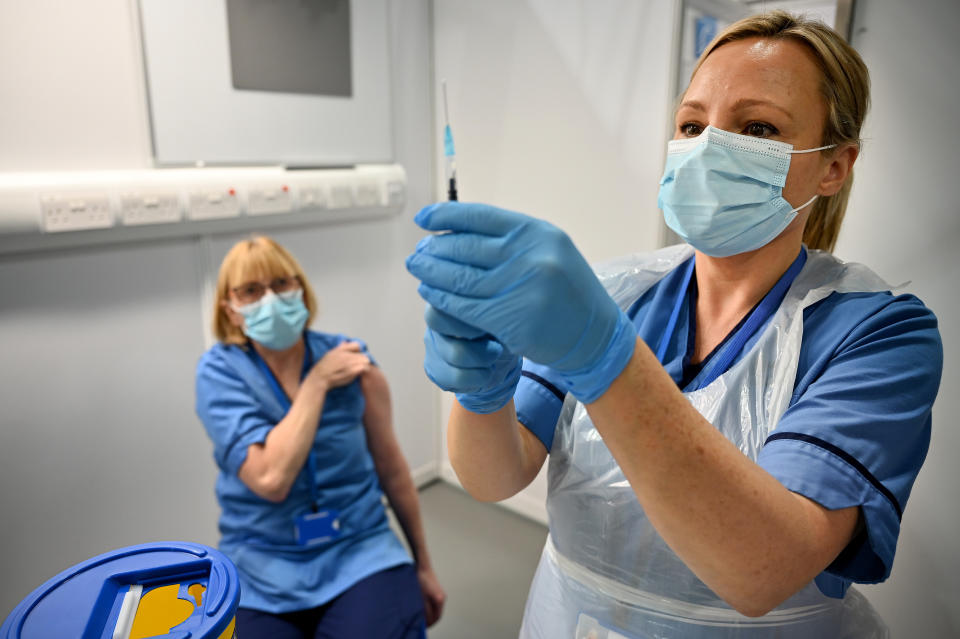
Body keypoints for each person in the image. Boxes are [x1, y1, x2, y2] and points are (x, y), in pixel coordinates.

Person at [406, 11, 942, 638]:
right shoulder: (615, 292)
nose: (709, 145)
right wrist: (481, 393)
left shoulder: (878, 334)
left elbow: (758, 572)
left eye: (758, 127)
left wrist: (606, 359)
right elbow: (493, 477)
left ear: (834, 166)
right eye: (692, 124)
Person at [196, 235, 445, 638]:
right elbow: (271, 480)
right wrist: (317, 383)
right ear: (232, 310)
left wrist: (424, 565)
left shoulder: (355, 365)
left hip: (358, 548)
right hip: (262, 562)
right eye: (251, 291)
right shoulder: (219, 373)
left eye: (281, 284)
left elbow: (393, 470)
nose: (271, 299)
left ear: (301, 290)